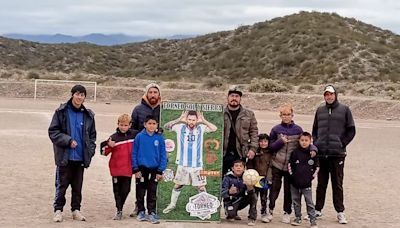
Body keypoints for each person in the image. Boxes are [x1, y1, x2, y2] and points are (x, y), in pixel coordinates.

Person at [48, 85, 96, 222]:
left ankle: (76, 210)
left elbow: (92, 136)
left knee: (77, 186)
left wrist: (90, 151)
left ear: (84, 98)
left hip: (80, 158)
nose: (79, 97)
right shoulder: (61, 111)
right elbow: (53, 132)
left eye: (82, 95)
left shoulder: (89, 115)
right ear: (72, 95)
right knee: (61, 185)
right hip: (65, 157)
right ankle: (58, 210)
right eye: (77, 94)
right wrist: (68, 141)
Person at [312, 85, 356, 224]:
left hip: (337, 154)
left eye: (331, 94)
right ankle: (318, 210)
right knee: (321, 184)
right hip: (322, 154)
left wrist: (342, 143)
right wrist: (317, 143)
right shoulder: (320, 110)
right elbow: (315, 130)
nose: (328, 97)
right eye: (326, 94)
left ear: (335, 95)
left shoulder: (345, 110)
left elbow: (351, 130)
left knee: (337, 184)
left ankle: (340, 212)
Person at [267, 103, 317, 224]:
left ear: (292, 115)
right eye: (284, 114)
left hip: (291, 166)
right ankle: (270, 210)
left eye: (288, 114)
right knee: (274, 189)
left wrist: (313, 148)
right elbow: (270, 147)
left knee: (289, 191)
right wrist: (280, 142)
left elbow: (306, 141)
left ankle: (287, 212)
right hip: (277, 164)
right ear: (280, 115)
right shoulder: (275, 129)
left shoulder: (298, 130)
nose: (286, 117)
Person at [162, 110, 217, 214]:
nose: (191, 122)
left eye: (194, 120)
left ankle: (205, 209)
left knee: (200, 187)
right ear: (186, 119)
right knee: (178, 185)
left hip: (197, 165)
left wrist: (204, 120)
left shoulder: (201, 128)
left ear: (197, 120)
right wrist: (179, 119)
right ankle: (172, 205)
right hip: (183, 163)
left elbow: (214, 128)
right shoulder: (180, 127)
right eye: (189, 119)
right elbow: (166, 126)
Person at [130, 82, 161, 217]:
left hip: (157, 151)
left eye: (155, 92)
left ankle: (154, 208)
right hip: (142, 153)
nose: (153, 95)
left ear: (159, 94)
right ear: (146, 94)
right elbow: (132, 129)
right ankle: (139, 207)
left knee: (155, 184)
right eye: (150, 92)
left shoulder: (164, 109)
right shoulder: (138, 109)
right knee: (140, 184)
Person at [100, 114, 138, 220]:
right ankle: (119, 210)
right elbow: (103, 152)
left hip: (128, 169)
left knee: (126, 190)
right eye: (121, 125)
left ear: (130, 125)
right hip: (116, 169)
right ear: (118, 124)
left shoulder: (135, 135)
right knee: (117, 191)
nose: (123, 127)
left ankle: (120, 206)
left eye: (125, 125)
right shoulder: (113, 137)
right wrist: (107, 145)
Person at [132, 115, 167, 224]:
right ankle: (141, 211)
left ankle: (152, 212)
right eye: (149, 123)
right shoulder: (139, 137)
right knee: (140, 192)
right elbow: (134, 153)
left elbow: (163, 155)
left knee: (152, 192)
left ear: (157, 125)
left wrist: (160, 170)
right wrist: (135, 169)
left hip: (154, 170)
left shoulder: (159, 138)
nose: (151, 126)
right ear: (145, 124)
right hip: (141, 170)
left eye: (154, 124)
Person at [223, 86, 258, 175]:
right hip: (223, 153)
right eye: (232, 96)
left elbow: (254, 132)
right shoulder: (220, 113)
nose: (234, 98)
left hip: (240, 152)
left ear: (240, 99)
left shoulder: (249, 114)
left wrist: (253, 149)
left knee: (238, 180)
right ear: (228, 97)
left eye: (237, 96)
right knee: (222, 179)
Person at [288, 132, 319, 228]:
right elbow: (290, 165)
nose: (304, 142)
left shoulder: (313, 154)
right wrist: (293, 176)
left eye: (306, 140)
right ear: (299, 141)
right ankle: (298, 218)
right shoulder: (295, 152)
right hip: (295, 183)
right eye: (302, 140)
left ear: (310, 141)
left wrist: (311, 177)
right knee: (296, 202)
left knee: (309, 202)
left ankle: (312, 220)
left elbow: (317, 167)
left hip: (307, 184)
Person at [246, 133, 273, 223]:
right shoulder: (254, 152)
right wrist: (251, 175)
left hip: (264, 179)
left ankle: (264, 213)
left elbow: (270, 167)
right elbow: (249, 163)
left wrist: (269, 178)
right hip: (254, 178)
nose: (263, 143)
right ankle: (252, 217)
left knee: (264, 197)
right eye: (261, 141)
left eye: (265, 141)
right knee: (254, 197)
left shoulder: (270, 153)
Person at [222, 160, 257, 226]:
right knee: (231, 216)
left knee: (253, 196)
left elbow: (251, 193)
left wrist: (250, 188)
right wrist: (229, 192)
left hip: (242, 200)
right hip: (231, 201)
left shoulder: (247, 177)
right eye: (236, 166)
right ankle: (231, 213)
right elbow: (222, 192)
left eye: (241, 166)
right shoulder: (227, 177)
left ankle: (252, 218)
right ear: (232, 168)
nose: (238, 168)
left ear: (244, 168)